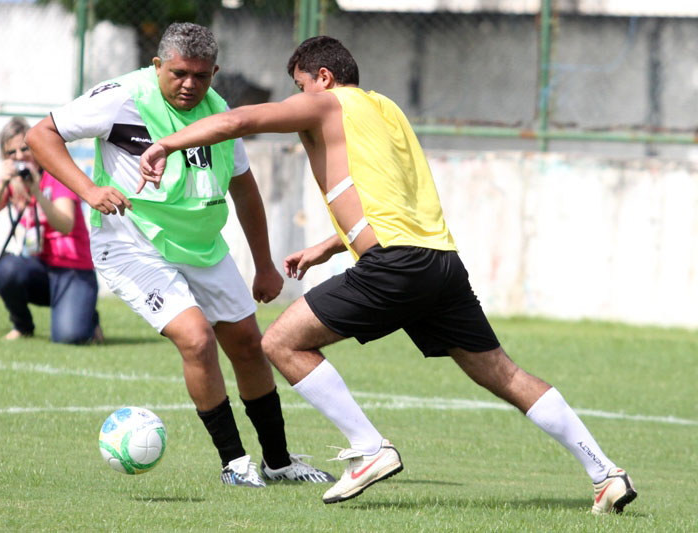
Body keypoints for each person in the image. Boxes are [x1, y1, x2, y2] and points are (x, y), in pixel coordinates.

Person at [136, 36, 638, 513]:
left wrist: (166, 145)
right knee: (505, 373)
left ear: (324, 78)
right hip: (439, 263)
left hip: (395, 264)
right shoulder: (389, 111)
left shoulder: (329, 103)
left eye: (300, 86)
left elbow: (240, 119)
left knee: (281, 343)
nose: (298, 101)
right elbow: (392, 199)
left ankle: (368, 447)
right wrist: (330, 246)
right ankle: (605, 473)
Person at [26, 23, 334, 487]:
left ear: (215, 72)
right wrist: (89, 190)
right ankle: (234, 464)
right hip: (132, 244)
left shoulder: (219, 113)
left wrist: (265, 263)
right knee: (196, 339)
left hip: (201, 245)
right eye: (178, 74)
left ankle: (279, 461)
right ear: (157, 66)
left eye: (201, 75)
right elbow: (41, 135)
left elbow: (244, 190)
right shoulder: (121, 97)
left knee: (250, 346)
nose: (189, 84)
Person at [0, 116, 102, 344]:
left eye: (25, 149)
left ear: (36, 148)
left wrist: (37, 191)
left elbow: (65, 225)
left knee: (69, 336)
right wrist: (2, 184)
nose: (19, 157)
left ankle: (88, 316)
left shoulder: (57, 176)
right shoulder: (13, 181)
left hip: (72, 269)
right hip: (40, 269)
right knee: (5, 271)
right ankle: (22, 325)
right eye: (11, 153)